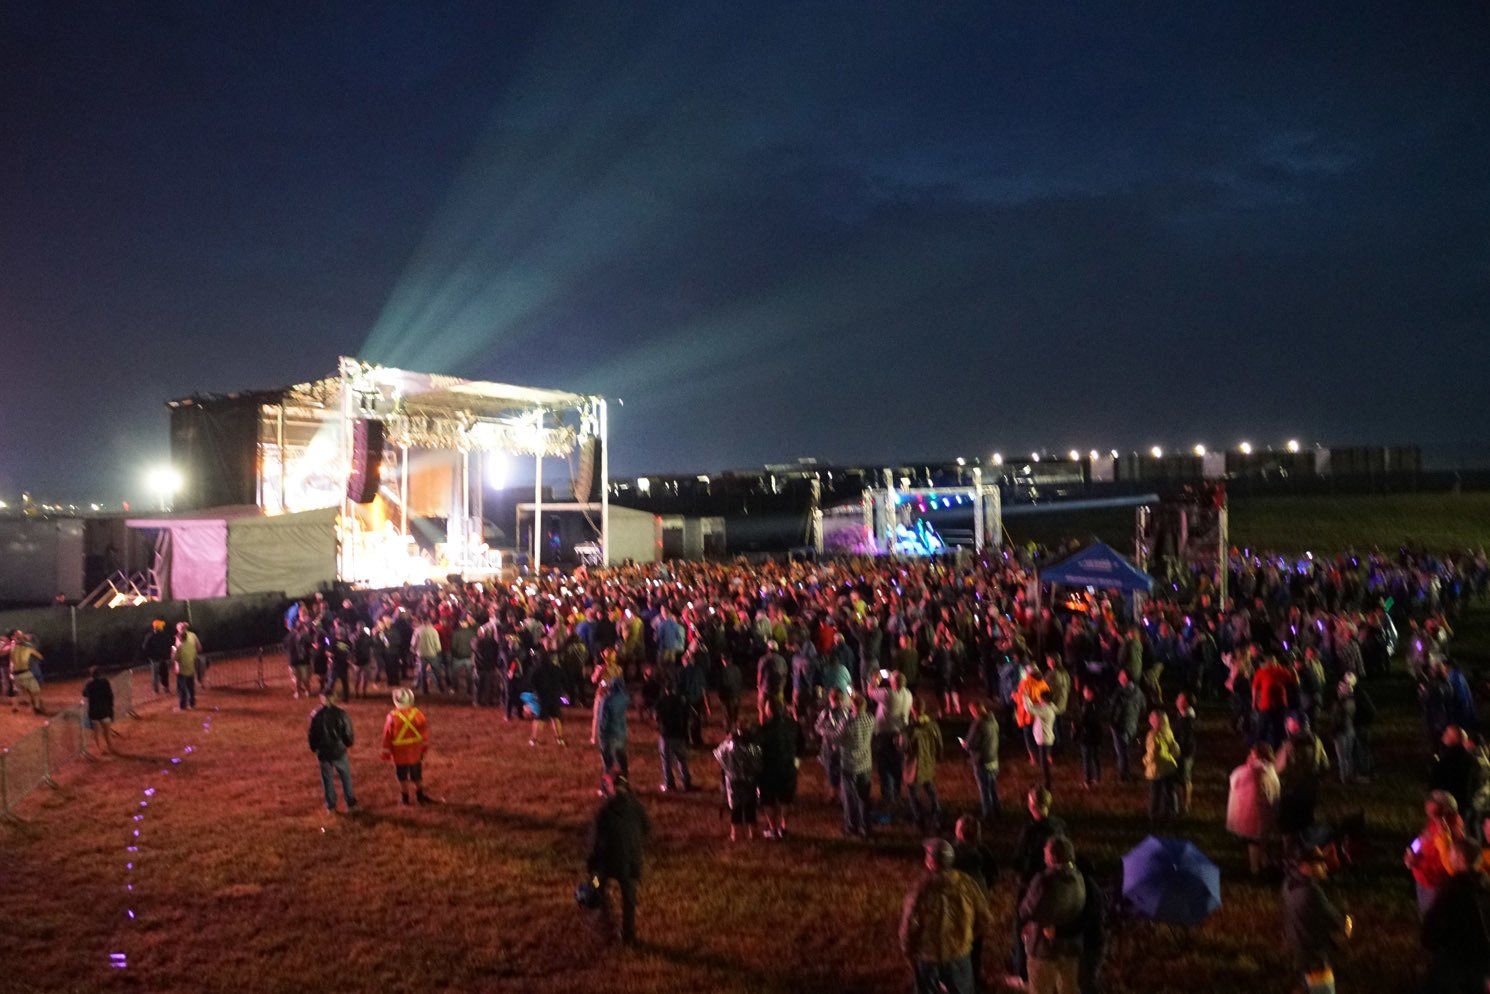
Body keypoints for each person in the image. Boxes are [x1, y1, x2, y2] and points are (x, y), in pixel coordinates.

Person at [900, 837, 994, 994]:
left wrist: (907, 949)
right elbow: (984, 919)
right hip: (959, 954)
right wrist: (967, 939)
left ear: (930, 861)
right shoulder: (967, 884)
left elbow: (909, 924)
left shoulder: (920, 890)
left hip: (928, 956)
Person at [586, 773, 650, 946]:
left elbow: (595, 840)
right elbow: (647, 829)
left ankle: (602, 911)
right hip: (631, 862)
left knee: (597, 882)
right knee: (629, 896)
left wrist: (591, 865)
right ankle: (628, 934)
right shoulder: (637, 807)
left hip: (608, 863)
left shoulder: (604, 810)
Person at [1018, 836, 1087, 994]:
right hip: (1071, 946)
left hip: (1044, 948)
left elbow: (1026, 911)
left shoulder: (1044, 881)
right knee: (1068, 988)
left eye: (1046, 852)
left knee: (1040, 988)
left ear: (1053, 856)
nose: (1044, 855)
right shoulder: (1079, 877)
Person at [1421, 838, 1490, 994]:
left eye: (1450, 852)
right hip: (1483, 962)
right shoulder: (1485, 885)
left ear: (1460, 858)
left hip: (1455, 963)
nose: (1448, 857)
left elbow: (1430, 931)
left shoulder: (1451, 890)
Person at [1282, 848, 1353, 994]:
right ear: (1306, 866)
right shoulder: (1312, 892)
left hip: (1298, 952)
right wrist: (1348, 920)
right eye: (1320, 863)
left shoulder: (1288, 885)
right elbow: (1339, 924)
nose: (1325, 867)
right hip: (1316, 958)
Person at [1407, 791, 1467, 918]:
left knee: (1432, 918)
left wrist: (1417, 862)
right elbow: (1422, 837)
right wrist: (1412, 851)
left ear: (1445, 808)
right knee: (1425, 915)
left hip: (1435, 884)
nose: (1428, 802)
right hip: (1422, 877)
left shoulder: (1452, 831)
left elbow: (1446, 863)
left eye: (1433, 800)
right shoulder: (1434, 822)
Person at [1227, 743, 1281, 877]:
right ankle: (1264, 862)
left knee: (1253, 841)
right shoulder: (1270, 769)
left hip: (1254, 813)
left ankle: (1255, 869)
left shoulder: (1254, 770)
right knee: (1263, 839)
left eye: (1252, 753)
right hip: (1268, 811)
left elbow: (1235, 779)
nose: (1250, 755)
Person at [1275, 714, 1329, 841]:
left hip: (1291, 792)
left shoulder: (1289, 745)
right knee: (1306, 822)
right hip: (1311, 790)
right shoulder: (1316, 740)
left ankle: (1290, 855)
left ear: (1294, 725)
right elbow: (1325, 765)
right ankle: (1307, 849)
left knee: (1289, 825)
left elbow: (1278, 769)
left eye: (1289, 723)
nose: (1287, 725)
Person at [756, 698, 805, 839]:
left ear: (768, 710)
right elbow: (801, 746)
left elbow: (756, 749)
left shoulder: (764, 729)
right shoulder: (793, 725)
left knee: (769, 800)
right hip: (788, 768)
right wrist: (796, 763)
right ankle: (783, 828)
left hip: (769, 770)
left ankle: (772, 829)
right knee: (786, 799)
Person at [869, 671, 914, 813]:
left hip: (885, 735)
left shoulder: (888, 694)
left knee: (885, 766)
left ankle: (888, 797)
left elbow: (870, 691)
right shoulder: (908, 694)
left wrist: (876, 678)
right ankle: (896, 792)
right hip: (900, 734)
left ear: (893, 683)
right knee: (897, 764)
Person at [380, 687, 432, 806]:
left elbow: (387, 735)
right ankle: (420, 796)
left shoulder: (392, 716)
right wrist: (423, 749)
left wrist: (386, 752)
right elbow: (424, 733)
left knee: (402, 776)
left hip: (399, 753)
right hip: (415, 751)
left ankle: (405, 799)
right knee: (417, 774)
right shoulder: (418, 714)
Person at [835, 692, 876, 838]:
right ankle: (865, 826)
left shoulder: (847, 724)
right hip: (865, 763)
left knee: (849, 797)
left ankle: (851, 826)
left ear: (853, 707)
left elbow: (836, 740)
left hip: (849, 765)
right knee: (864, 797)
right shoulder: (871, 719)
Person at [307, 691, 357, 813]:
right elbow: (348, 732)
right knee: (345, 776)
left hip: (323, 752)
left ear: (322, 699)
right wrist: (348, 743)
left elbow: (312, 734)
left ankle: (330, 805)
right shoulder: (341, 714)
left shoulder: (315, 715)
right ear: (334, 699)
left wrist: (314, 747)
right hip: (339, 751)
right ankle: (350, 803)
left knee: (327, 778)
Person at [714, 720, 762, 841]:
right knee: (750, 805)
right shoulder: (752, 745)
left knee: (736, 806)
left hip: (734, 780)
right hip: (749, 780)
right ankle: (752, 833)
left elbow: (719, 755)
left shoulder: (730, 745)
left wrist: (727, 740)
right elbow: (759, 761)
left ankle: (735, 834)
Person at [905, 703, 945, 833]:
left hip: (915, 765)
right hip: (928, 762)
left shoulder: (912, 729)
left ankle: (919, 818)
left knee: (913, 792)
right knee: (929, 787)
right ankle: (936, 814)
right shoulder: (933, 725)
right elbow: (939, 742)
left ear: (913, 710)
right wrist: (938, 755)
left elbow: (907, 748)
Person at [964, 699, 1002, 820]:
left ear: (975, 711)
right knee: (993, 787)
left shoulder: (978, 725)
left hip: (982, 761)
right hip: (994, 759)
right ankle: (996, 809)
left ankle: (987, 814)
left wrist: (965, 745)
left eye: (972, 711)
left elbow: (971, 744)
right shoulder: (994, 721)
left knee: (984, 790)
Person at [1143, 709, 1180, 826]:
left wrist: (1145, 761)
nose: (1149, 719)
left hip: (1157, 770)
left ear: (1155, 721)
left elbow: (1152, 753)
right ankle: (1171, 814)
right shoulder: (1168, 731)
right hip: (1169, 767)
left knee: (1155, 793)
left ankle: (1154, 817)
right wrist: (1170, 757)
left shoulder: (1153, 735)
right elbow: (1176, 749)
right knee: (1169, 792)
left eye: (1151, 717)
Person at [593, 674, 630, 789]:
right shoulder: (625, 698)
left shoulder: (607, 701)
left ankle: (606, 788)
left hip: (609, 735)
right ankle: (625, 784)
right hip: (621, 734)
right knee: (622, 761)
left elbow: (603, 720)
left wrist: (600, 734)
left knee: (608, 763)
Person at [655, 680, 694, 792]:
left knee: (666, 760)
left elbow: (656, 717)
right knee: (681, 759)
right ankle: (686, 782)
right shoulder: (681, 701)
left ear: (665, 690)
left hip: (666, 734)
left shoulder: (661, 701)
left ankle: (669, 784)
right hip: (679, 734)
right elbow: (687, 716)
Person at [1108, 670, 1144, 783]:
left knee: (1121, 751)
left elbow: (1112, 708)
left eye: (1121, 675)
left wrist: (1111, 722)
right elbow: (1144, 707)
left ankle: (1124, 775)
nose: (1118, 676)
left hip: (1119, 725)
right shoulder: (1138, 691)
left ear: (1125, 678)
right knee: (1126, 749)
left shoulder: (1120, 693)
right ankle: (1126, 772)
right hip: (1132, 724)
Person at [815, 686, 851, 800]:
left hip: (835, 747)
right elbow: (818, 727)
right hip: (836, 747)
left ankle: (836, 795)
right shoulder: (842, 711)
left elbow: (817, 727)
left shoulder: (839, 712)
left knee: (834, 770)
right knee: (835, 770)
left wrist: (827, 732)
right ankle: (837, 795)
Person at [527, 651, 567, 746]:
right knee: (556, 717)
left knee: (540, 719)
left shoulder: (536, 670)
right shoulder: (557, 669)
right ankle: (560, 739)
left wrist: (531, 698)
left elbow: (531, 684)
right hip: (555, 696)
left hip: (542, 697)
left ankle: (534, 740)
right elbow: (565, 681)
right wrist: (562, 694)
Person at [80, 667, 117, 756]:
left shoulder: (89, 684)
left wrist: (87, 683)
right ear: (100, 674)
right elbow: (110, 695)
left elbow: (84, 693)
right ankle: (110, 748)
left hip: (94, 712)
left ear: (91, 675)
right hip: (105, 711)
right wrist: (111, 707)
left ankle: (100, 750)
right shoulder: (105, 682)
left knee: (96, 733)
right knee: (107, 733)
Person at [7, 631, 45, 715]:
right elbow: (40, 657)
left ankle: (16, 708)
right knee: (36, 690)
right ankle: (37, 707)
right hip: (26, 673)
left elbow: (11, 660)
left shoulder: (12, 649)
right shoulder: (28, 648)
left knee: (18, 692)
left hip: (16, 675)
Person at [1172, 692, 1197, 815]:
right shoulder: (1183, 716)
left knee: (1185, 779)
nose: (1177, 700)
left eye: (1180, 698)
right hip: (1182, 752)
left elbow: (1185, 738)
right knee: (1182, 778)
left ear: (1186, 703)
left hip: (1185, 753)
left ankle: (1186, 805)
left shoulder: (1188, 721)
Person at [1075, 685, 1104, 788]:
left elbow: (1082, 721)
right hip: (1096, 736)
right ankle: (1097, 778)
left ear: (1091, 693)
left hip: (1087, 736)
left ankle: (1087, 781)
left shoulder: (1087, 705)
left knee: (1086, 759)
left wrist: (1076, 729)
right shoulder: (1099, 705)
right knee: (1095, 757)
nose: (1084, 692)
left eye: (1086, 691)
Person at [172, 622, 202, 711]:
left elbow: (175, 658)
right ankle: (192, 704)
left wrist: (174, 651)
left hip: (182, 669)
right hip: (191, 667)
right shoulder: (192, 640)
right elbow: (199, 648)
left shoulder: (179, 647)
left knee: (182, 688)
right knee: (191, 687)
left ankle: (182, 706)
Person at [142, 619, 173, 695]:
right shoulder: (163, 635)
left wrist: (150, 656)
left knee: (157, 674)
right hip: (161, 658)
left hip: (156, 658)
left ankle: (157, 690)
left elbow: (145, 647)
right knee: (163, 673)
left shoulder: (150, 635)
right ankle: (164, 688)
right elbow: (169, 645)